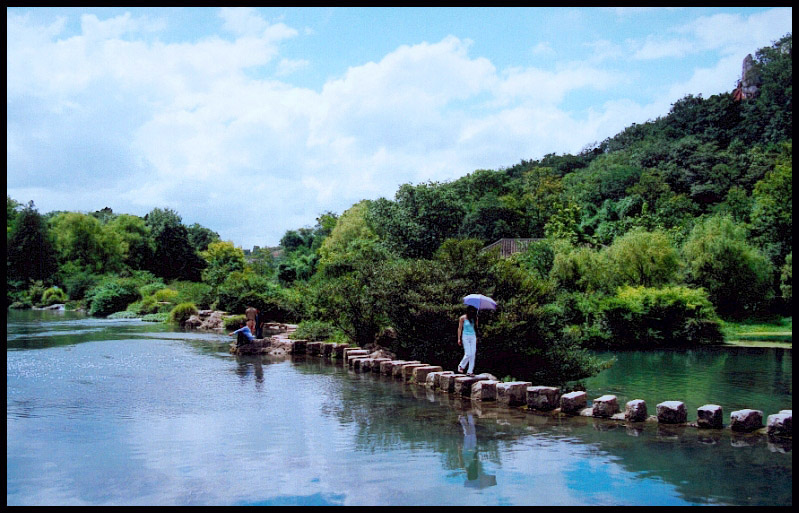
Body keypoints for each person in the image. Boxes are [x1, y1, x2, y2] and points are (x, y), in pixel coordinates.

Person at [457, 305, 479, 376]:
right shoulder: (462, 318)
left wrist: (477, 338)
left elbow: (476, 329)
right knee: (468, 353)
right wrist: (459, 338)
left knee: (473, 354)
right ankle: (461, 366)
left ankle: (470, 371)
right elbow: (460, 328)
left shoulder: (475, 318)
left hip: (473, 336)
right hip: (465, 336)